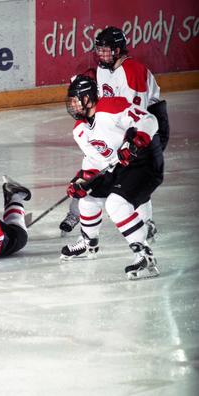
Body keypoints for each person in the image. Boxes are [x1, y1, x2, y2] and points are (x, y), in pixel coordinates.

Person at [59, 26, 169, 237]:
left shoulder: (133, 71)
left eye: (105, 50)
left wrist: (129, 142)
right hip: (117, 125)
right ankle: (78, 212)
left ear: (118, 50)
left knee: (134, 173)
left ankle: (146, 224)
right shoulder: (102, 70)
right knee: (94, 160)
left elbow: (139, 115)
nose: (100, 54)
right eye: (98, 49)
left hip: (147, 124)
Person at [60, 75, 164, 280]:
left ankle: (144, 254)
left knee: (116, 204)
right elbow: (96, 161)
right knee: (87, 197)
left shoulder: (111, 107)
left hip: (144, 161)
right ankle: (90, 244)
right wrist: (81, 181)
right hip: (117, 165)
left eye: (76, 99)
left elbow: (149, 119)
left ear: (88, 98)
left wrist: (138, 140)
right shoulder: (80, 130)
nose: (72, 105)